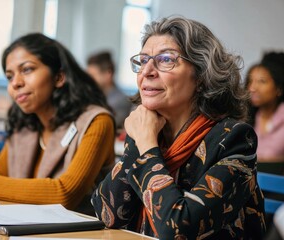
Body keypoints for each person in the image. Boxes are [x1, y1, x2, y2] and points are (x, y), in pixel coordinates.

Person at [91, 16, 265, 239]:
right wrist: (141, 140)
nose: (147, 71)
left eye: (165, 59)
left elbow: (178, 231)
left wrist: (146, 146)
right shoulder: (148, 128)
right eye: (143, 60)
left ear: (201, 75)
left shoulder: (234, 138)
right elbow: (108, 214)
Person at [0, 33, 116, 216]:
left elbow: (64, 194)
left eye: (27, 70)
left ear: (59, 77)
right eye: (9, 76)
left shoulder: (97, 122)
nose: (15, 83)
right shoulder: (24, 124)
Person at [245, 52, 284, 175]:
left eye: (262, 81)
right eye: (250, 81)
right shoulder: (245, 118)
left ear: (278, 89)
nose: (253, 88)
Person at [87, 51, 132, 130]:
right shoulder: (96, 97)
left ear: (108, 73)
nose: (89, 80)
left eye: (93, 75)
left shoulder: (120, 101)